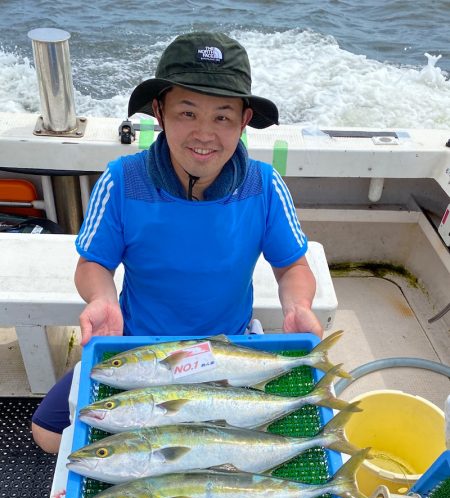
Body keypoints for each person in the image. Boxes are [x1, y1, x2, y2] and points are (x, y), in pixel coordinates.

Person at [31, 31, 322, 454]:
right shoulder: (121, 180)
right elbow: (93, 263)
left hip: (226, 352)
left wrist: (298, 307)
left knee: (251, 442)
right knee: (48, 432)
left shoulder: (264, 185)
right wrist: (102, 300)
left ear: (244, 121)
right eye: (187, 113)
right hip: (137, 348)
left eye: (222, 117)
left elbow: (292, 266)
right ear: (159, 112)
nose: (204, 133)